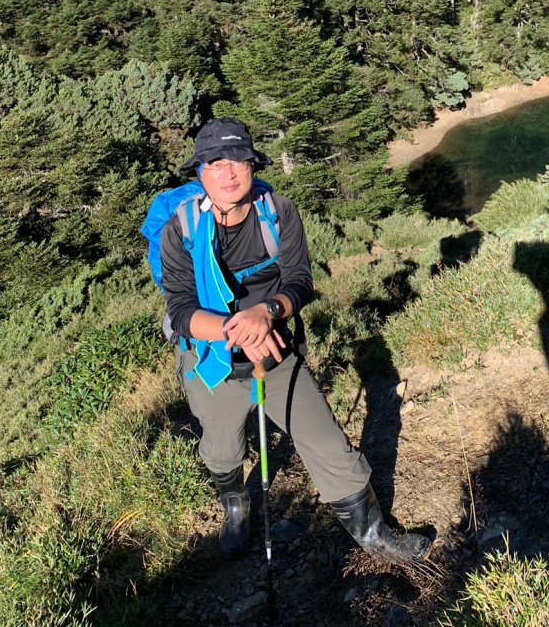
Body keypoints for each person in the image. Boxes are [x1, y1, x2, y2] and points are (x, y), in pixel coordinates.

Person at [160, 117, 430, 565]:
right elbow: (183, 311)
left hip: (276, 354)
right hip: (210, 359)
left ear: (253, 164)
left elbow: (299, 282)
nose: (228, 173)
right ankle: (235, 505)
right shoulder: (181, 230)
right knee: (223, 449)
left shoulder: (278, 212)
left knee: (329, 446)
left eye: (238, 161)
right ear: (199, 173)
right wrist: (239, 331)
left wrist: (265, 314)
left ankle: (374, 535)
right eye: (215, 164)